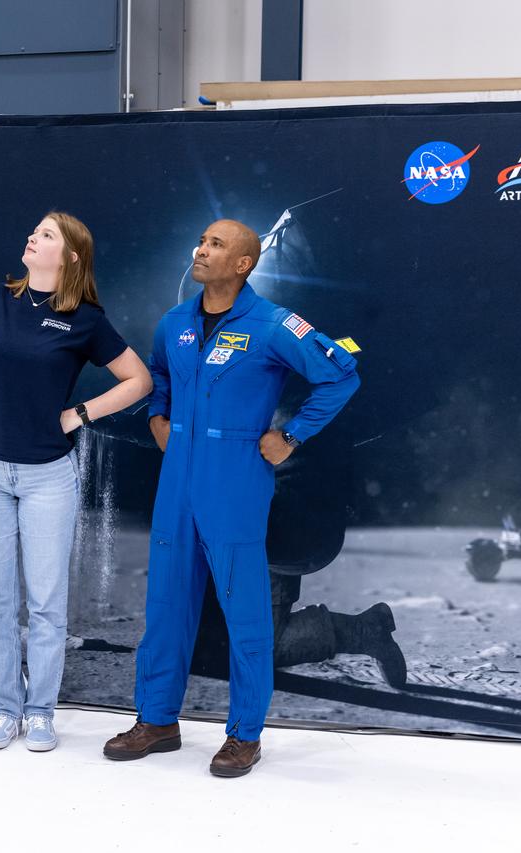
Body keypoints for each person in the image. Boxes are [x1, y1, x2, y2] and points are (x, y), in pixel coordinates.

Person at [103, 219, 360, 777]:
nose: (201, 249)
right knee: (166, 606)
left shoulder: (273, 324)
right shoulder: (174, 323)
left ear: (244, 263)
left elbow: (341, 375)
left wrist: (292, 436)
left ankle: (244, 734)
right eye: (201, 241)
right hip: (177, 481)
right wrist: (157, 417)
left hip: (237, 480)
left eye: (215, 244)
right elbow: (160, 375)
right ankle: (157, 721)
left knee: (246, 614)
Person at [0, 212, 151, 752]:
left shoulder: (85, 320)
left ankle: (41, 711)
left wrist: (80, 414)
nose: (33, 236)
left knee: (46, 604)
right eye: (35, 230)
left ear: (70, 257)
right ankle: (6, 709)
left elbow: (138, 380)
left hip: (48, 476)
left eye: (47, 234)